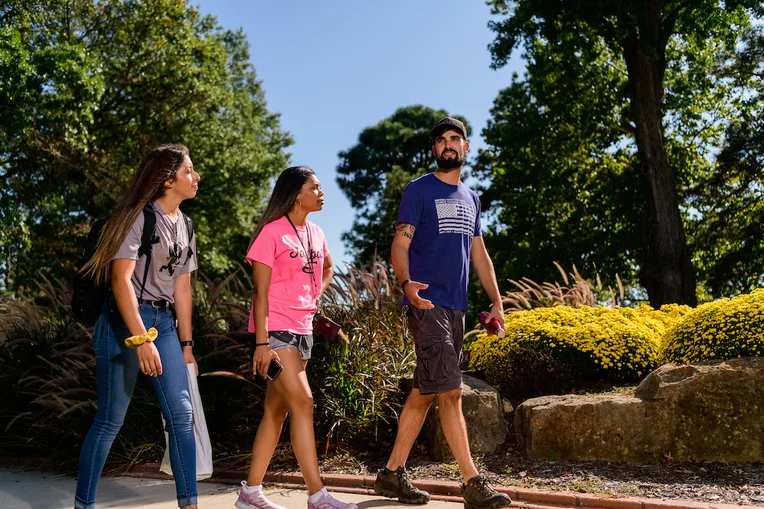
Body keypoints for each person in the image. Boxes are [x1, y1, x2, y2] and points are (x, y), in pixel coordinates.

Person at [374, 118, 512, 509]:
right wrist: (406, 284)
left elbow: (479, 254)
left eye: (455, 139)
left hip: (458, 307)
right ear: (434, 149)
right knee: (451, 391)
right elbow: (400, 244)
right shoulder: (419, 190)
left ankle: (391, 475)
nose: (448, 145)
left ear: (466, 147)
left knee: (425, 391)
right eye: (441, 140)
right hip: (427, 303)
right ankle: (473, 484)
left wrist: (497, 300)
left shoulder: (472, 198)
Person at [74, 144, 201, 509]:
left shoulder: (186, 226)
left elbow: (183, 290)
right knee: (110, 420)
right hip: (125, 320)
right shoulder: (138, 218)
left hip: (165, 321)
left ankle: (189, 504)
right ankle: (84, 504)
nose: (195, 177)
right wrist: (142, 340)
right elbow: (120, 281)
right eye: (189, 170)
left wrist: (187, 346)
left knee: (182, 416)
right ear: (166, 179)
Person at [235, 166, 357, 509]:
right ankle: (317, 496)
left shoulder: (316, 232)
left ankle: (250, 493)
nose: (321, 192)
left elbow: (329, 267)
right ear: (295, 194)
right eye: (314, 187)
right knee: (304, 402)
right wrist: (260, 343)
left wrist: (317, 295)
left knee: (275, 412)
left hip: (304, 330)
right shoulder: (271, 234)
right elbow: (260, 295)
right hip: (275, 331)